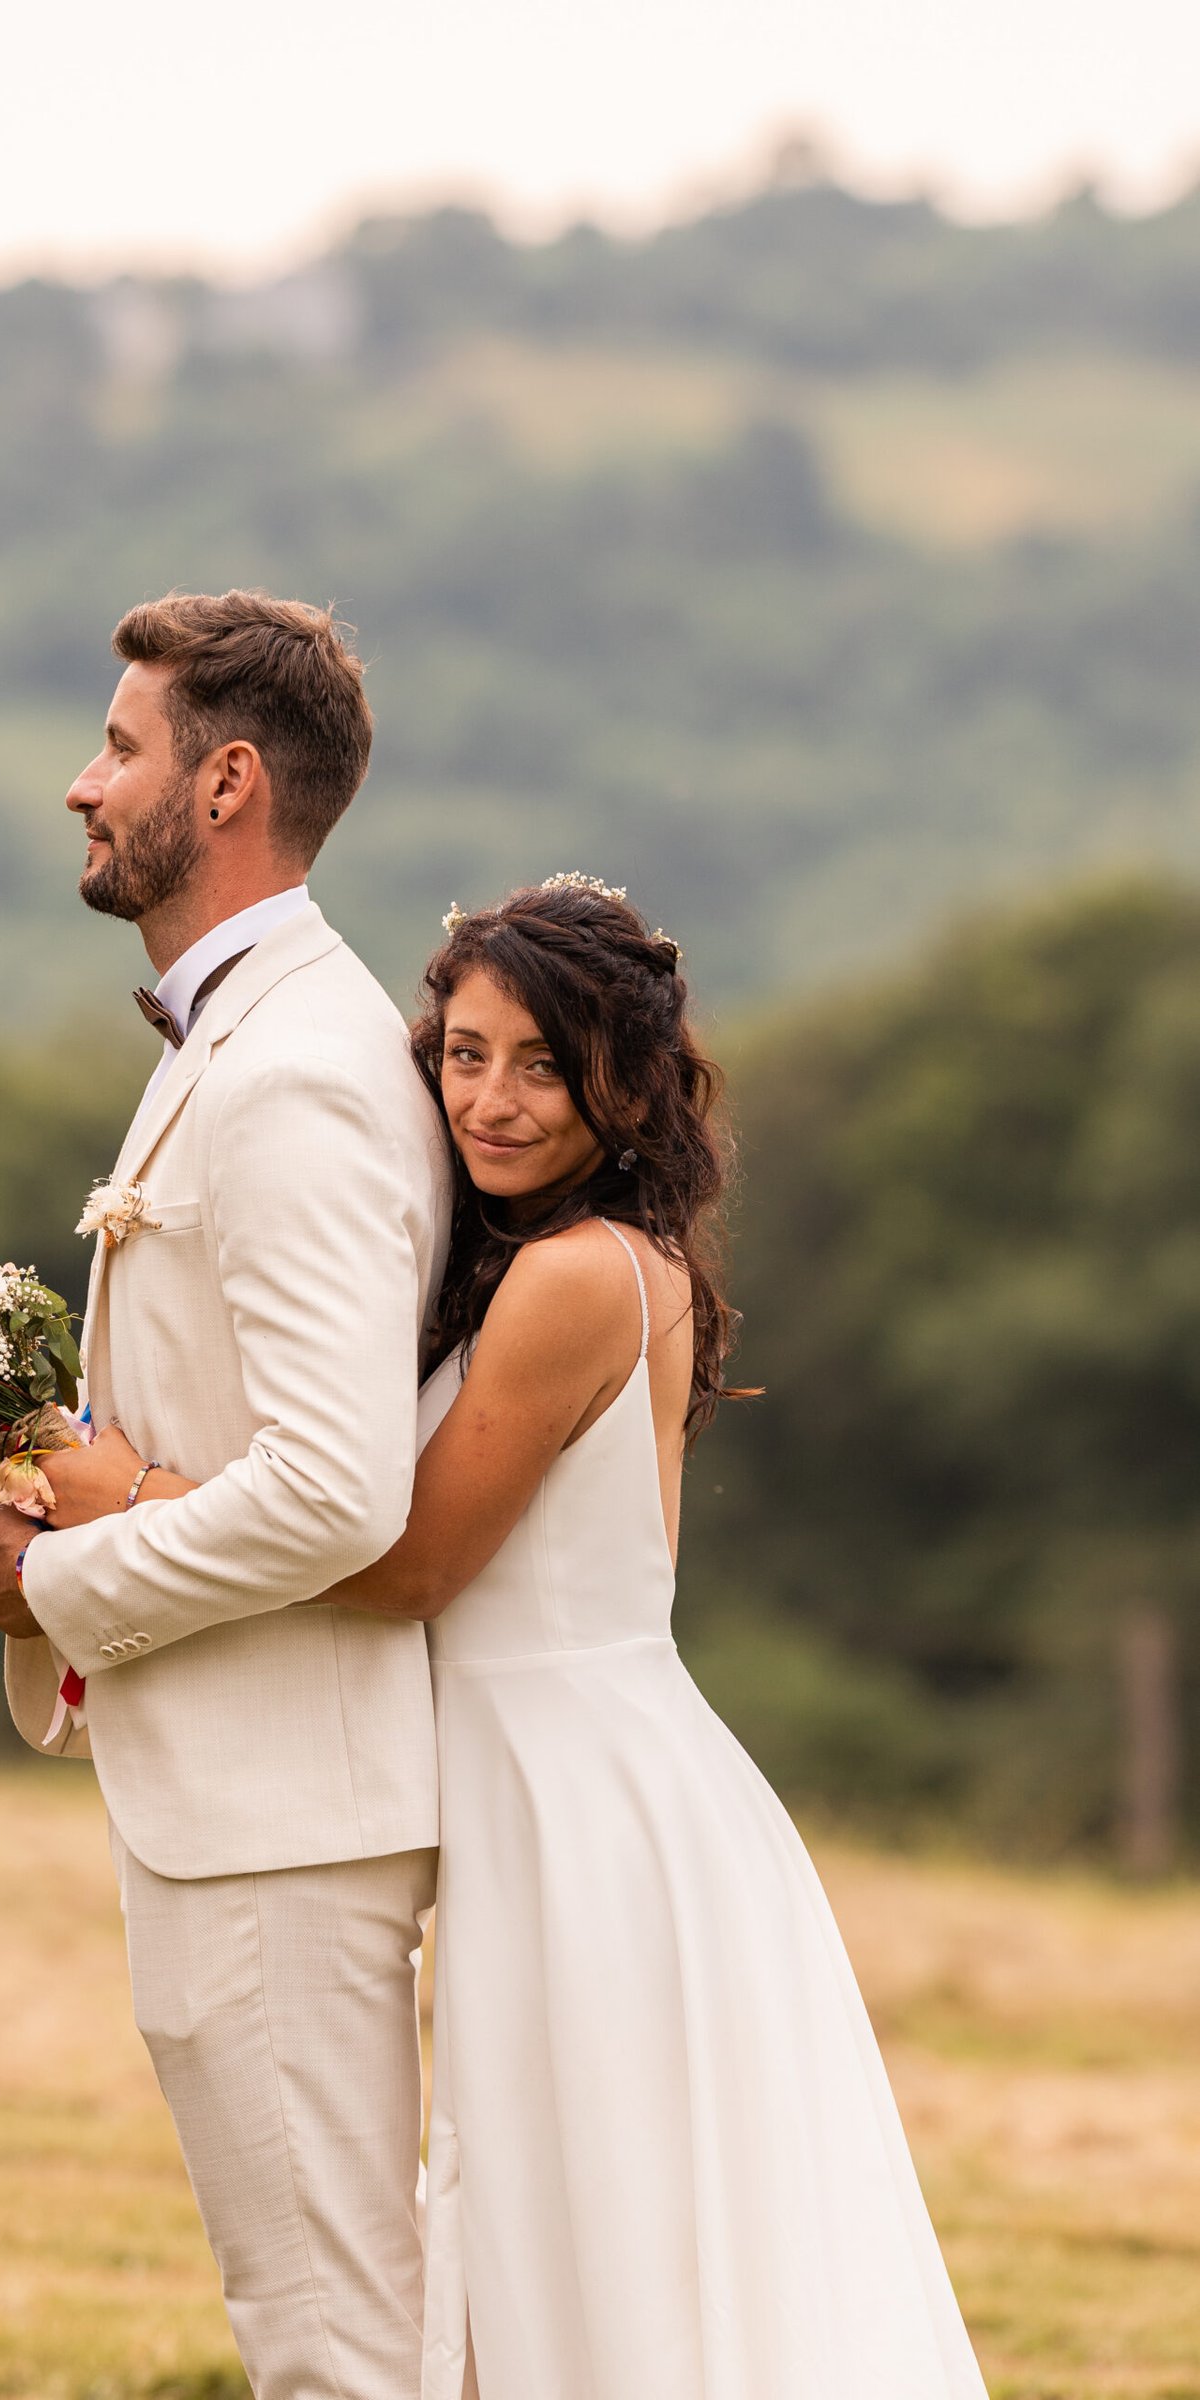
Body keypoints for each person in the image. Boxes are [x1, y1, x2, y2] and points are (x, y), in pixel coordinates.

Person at [74, 875, 991, 2399]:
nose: (491, 1101)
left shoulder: (576, 1277)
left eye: (544, 1065)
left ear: (624, 1085)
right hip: (529, 1790)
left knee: (602, 2244)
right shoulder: (525, 1256)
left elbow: (411, 1560)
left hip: (590, 1804)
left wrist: (133, 1493)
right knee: (536, 2236)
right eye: (466, 1054)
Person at [0, 590, 453, 2400]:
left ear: (227, 781)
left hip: (282, 1822)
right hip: (253, 1803)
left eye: (122, 747)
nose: (83, 786)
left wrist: (65, 1583)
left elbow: (335, 1489)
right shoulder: (259, 1036)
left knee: (334, 2349)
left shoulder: (296, 1075)